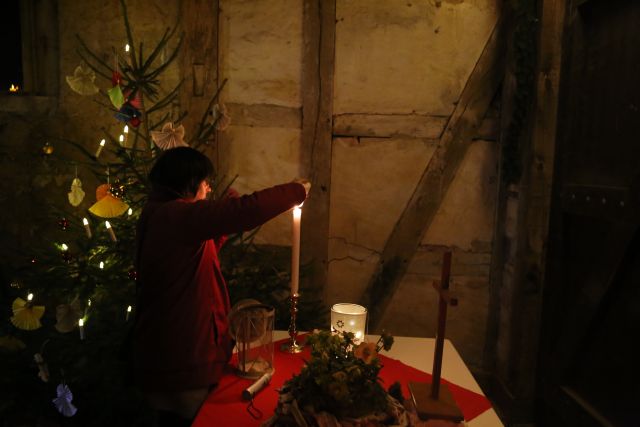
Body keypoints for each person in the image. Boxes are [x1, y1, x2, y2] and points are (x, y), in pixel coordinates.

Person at [132, 147, 308, 426]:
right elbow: (247, 211)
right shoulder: (176, 214)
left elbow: (192, 252)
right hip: (183, 361)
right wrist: (296, 191)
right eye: (204, 182)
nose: (208, 188)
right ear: (189, 183)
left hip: (174, 356)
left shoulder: (161, 213)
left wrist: (221, 228)